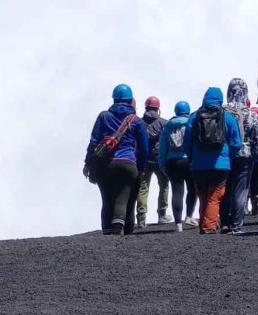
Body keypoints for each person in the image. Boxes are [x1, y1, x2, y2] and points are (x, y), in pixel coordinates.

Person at [85, 85, 149, 236]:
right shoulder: (136, 121)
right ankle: (117, 231)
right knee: (122, 196)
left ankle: (107, 233)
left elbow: (94, 142)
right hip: (127, 164)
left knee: (106, 199)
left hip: (104, 164)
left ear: (114, 99)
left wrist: (88, 163)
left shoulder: (103, 116)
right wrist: (141, 169)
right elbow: (144, 149)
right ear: (130, 100)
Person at [182, 87, 242, 234]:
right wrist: (229, 157)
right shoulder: (227, 117)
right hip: (220, 165)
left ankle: (205, 224)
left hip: (198, 165)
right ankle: (208, 228)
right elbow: (236, 143)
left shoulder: (194, 117)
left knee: (203, 195)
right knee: (214, 197)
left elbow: (186, 143)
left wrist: (191, 157)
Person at [222, 78, 258, 233]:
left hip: (225, 156)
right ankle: (236, 224)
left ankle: (224, 223)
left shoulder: (223, 111)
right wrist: (254, 154)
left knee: (225, 189)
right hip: (245, 156)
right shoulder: (251, 113)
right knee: (241, 190)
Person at [156, 100, 198, 230]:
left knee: (177, 191)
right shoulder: (192, 123)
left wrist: (162, 164)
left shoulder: (168, 126)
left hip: (172, 162)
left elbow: (162, 148)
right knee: (193, 189)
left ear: (176, 111)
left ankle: (178, 224)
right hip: (189, 160)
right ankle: (189, 217)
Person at [136, 96, 173, 228]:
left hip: (144, 159)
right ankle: (162, 215)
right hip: (160, 159)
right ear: (158, 108)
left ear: (146, 107)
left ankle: (141, 217)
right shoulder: (164, 123)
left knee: (143, 187)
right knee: (164, 186)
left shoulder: (139, 122)